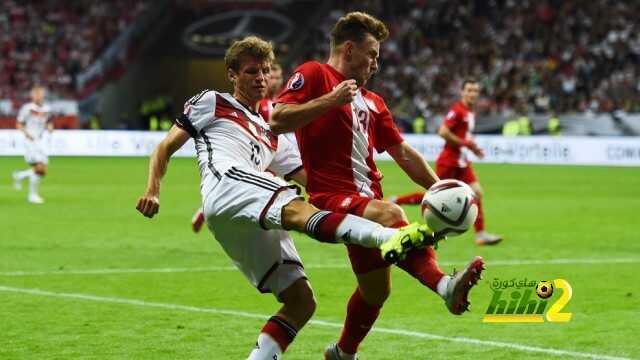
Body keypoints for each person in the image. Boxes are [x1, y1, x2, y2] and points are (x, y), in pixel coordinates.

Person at [136, 36, 433, 360]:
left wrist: (367, 202)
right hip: (226, 183)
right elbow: (165, 147)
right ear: (232, 74)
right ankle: (388, 237)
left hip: (238, 217)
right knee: (296, 209)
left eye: (265, 71)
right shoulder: (213, 101)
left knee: (301, 301)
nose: (260, 78)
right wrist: (153, 189)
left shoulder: (272, 136)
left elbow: (317, 183)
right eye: (251, 71)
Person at [270, 12, 485, 359]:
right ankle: (445, 285)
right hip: (331, 198)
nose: (375, 64)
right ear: (350, 49)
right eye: (372, 55)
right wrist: (330, 100)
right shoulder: (314, 74)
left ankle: (343, 353)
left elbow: (402, 152)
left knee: (375, 293)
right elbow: (277, 120)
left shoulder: (373, 101)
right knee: (390, 214)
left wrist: (442, 188)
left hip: (366, 199)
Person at [391, 79, 503, 246]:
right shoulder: (457, 111)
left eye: (475, 91)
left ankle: (480, 234)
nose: (472, 94)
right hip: (449, 161)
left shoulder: (470, 112)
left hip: (463, 162)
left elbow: (464, 138)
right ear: (462, 92)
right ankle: (396, 201)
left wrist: (471, 148)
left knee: (477, 193)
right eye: (469, 90)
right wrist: (467, 144)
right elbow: (443, 132)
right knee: (434, 195)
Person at [191, 63, 292, 233]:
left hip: (273, 152)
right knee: (275, 193)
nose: (274, 81)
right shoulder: (260, 105)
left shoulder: (281, 101)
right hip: (258, 154)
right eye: (272, 77)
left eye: (277, 77)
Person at [12, 85, 53, 204]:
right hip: (30, 141)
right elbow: (19, 124)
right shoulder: (27, 108)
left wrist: (50, 127)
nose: (39, 96)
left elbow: (49, 121)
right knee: (39, 167)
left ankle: (19, 175)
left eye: (41, 93)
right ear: (33, 95)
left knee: (42, 171)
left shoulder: (47, 109)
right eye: (37, 94)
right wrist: (27, 134)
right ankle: (32, 195)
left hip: (41, 141)